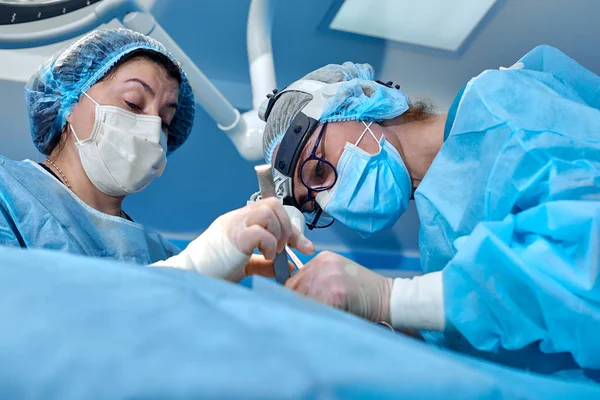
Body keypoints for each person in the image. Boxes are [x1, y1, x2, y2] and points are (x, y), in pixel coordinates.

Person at [260, 45, 600, 375]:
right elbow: (474, 339)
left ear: (361, 97)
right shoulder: (439, 237)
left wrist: (392, 298)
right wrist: (372, 316)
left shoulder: (500, 107)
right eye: (313, 204)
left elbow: (586, 253)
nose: (328, 200)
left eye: (318, 170)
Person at [0, 28, 314, 282]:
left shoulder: (157, 252)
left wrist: (225, 273)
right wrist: (190, 270)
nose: (152, 130)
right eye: (134, 103)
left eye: (165, 121)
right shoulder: (9, 195)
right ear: (68, 103)